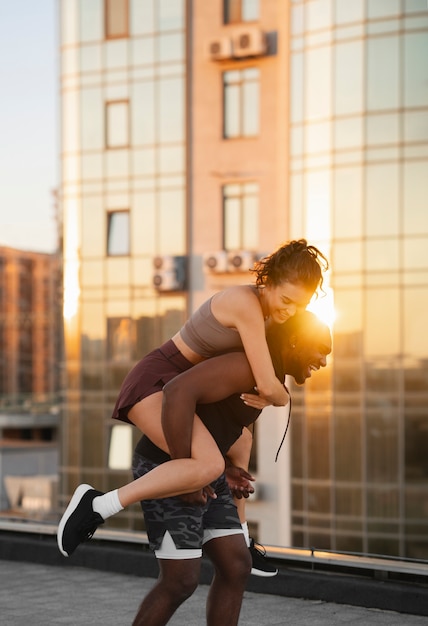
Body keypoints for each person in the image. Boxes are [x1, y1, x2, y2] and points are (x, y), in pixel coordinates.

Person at [57, 240, 329, 558]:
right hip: (157, 381)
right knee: (208, 464)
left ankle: (240, 538)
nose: (290, 311)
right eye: (286, 299)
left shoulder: (269, 315)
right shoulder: (247, 305)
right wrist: (278, 397)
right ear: (268, 283)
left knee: (242, 439)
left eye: (300, 306)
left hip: (180, 385)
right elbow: (268, 386)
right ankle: (99, 504)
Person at [129, 311, 332, 625]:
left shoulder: (269, 379)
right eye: (321, 350)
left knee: (237, 566)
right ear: (294, 341)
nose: (323, 361)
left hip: (207, 472)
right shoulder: (246, 365)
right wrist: (187, 472)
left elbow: (213, 425)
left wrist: (223, 468)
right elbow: (178, 393)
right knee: (180, 581)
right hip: (165, 467)